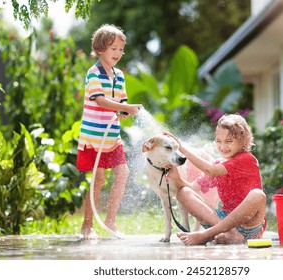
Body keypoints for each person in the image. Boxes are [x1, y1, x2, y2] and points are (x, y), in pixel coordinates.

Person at [76, 24, 142, 239]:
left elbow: (120, 100)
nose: (118, 53)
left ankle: (110, 221)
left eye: (121, 50)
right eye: (113, 49)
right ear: (100, 49)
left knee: (123, 173)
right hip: (94, 137)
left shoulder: (119, 75)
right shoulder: (93, 73)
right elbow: (101, 101)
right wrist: (125, 108)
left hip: (111, 136)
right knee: (99, 178)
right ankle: (87, 225)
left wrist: (124, 110)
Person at [164, 114, 267, 245]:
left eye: (229, 141)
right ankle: (231, 235)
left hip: (250, 226)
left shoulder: (247, 159)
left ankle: (207, 234)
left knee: (258, 195)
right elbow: (192, 189)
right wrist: (176, 178)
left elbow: (210, 170)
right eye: (218, 141)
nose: (223, 146)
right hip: (223, 223)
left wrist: (182, 149)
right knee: (183, 193)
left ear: (243, 141)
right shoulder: (219, 163)